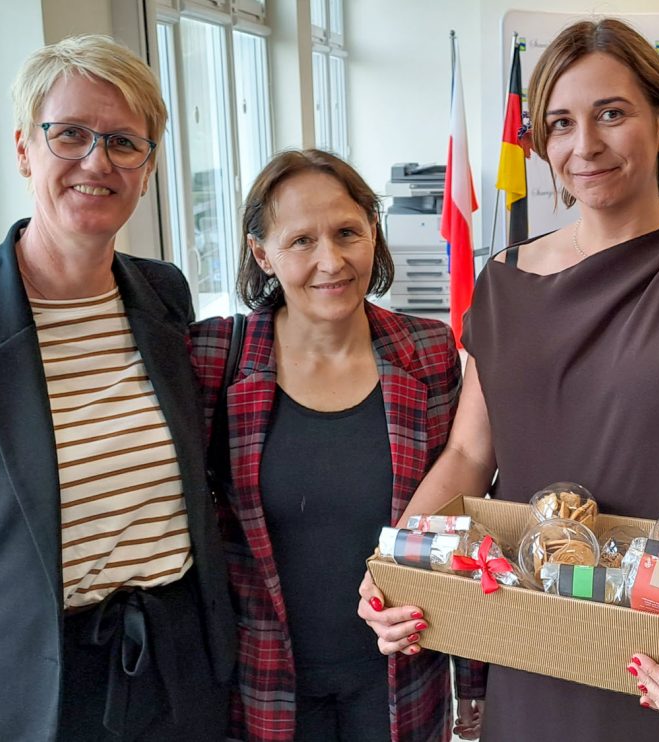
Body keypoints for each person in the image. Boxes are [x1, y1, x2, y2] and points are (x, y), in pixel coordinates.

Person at [359, 17, 659, 741]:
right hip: (541, 642)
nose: (584, 146)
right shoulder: (502, 285)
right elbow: (471, 456)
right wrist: (394, 561)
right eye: (560, 123)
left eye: (612, 114)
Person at [0, 35, 236, 741]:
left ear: (148, 166)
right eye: (70, 134)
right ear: (23, 150)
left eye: (124, 142)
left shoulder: (163, 295)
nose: (97, 161)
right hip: (40, 692)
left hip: (181, 671)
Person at [190, 149, 484, 742]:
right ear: (261, 252)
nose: (331, 260)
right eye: (301, 240)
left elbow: (460, 522)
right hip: (264, 684)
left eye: (348, 232)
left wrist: (472, 679)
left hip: (401, 674)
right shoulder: (213, 359)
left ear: (372, 232)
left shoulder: (427, 352)